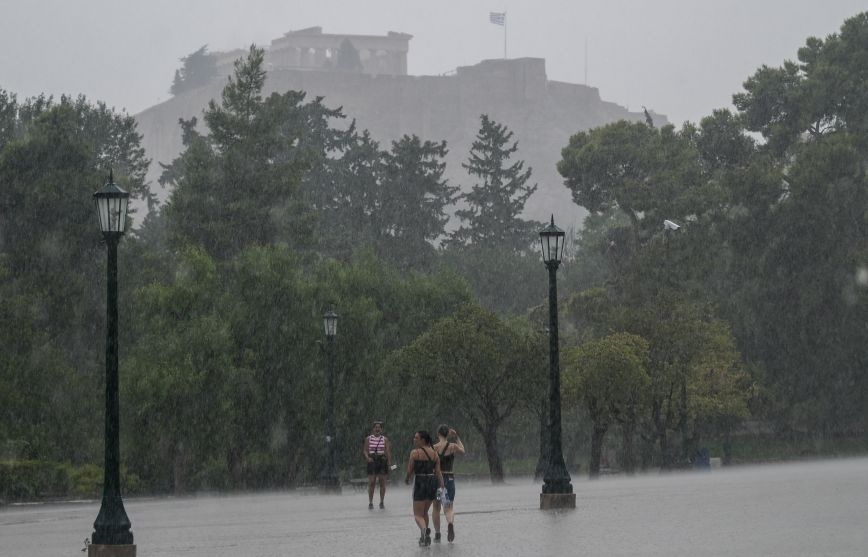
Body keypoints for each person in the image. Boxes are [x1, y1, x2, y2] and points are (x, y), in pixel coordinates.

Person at [404, 430, 444, 546]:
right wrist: (442, 486)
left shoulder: (415, 453)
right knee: (425, 512)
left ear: (423, 440)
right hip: (432, 483)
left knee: (417, 514)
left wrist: (407, 479)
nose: (414, 439)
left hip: (420, 482)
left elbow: (410, 470)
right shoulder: (435, 454)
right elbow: (438, 472)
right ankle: (424, 536)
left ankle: (424, 531)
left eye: (416, 438)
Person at [431, 424, 465, 543]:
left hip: (437, 479)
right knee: (448, 507)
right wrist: (457, 437)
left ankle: (437, 534)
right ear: (448, 434)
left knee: (436, 507)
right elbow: (463, 450)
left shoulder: (434, 447)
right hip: (450, 479)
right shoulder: (452, 446)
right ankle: (450, 523)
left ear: (438, 434)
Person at [363, 420, 392, 509]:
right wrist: (367, 458)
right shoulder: (368, 438)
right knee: (371, 482)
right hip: (372, 460)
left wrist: (389, 463)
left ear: (381, 429)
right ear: (373, 429)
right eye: (376, 427)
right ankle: (370, 502)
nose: (377, 429)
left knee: (382, 482)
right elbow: (365, 450)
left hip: (382, 460)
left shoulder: (385, 439)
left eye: (379, 427)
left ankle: (381, 502)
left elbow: (387, 451)